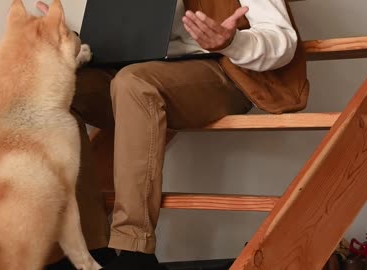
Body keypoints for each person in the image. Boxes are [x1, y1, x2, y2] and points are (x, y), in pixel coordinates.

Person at [38, 0, 305, 269]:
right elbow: (118, 41)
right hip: (140, 71)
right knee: (54, 86)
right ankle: (87, 250)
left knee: (133, 82)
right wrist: (71, 43)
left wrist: (231, 43)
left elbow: (282, 38)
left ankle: (134, 250)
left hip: (228, 70)